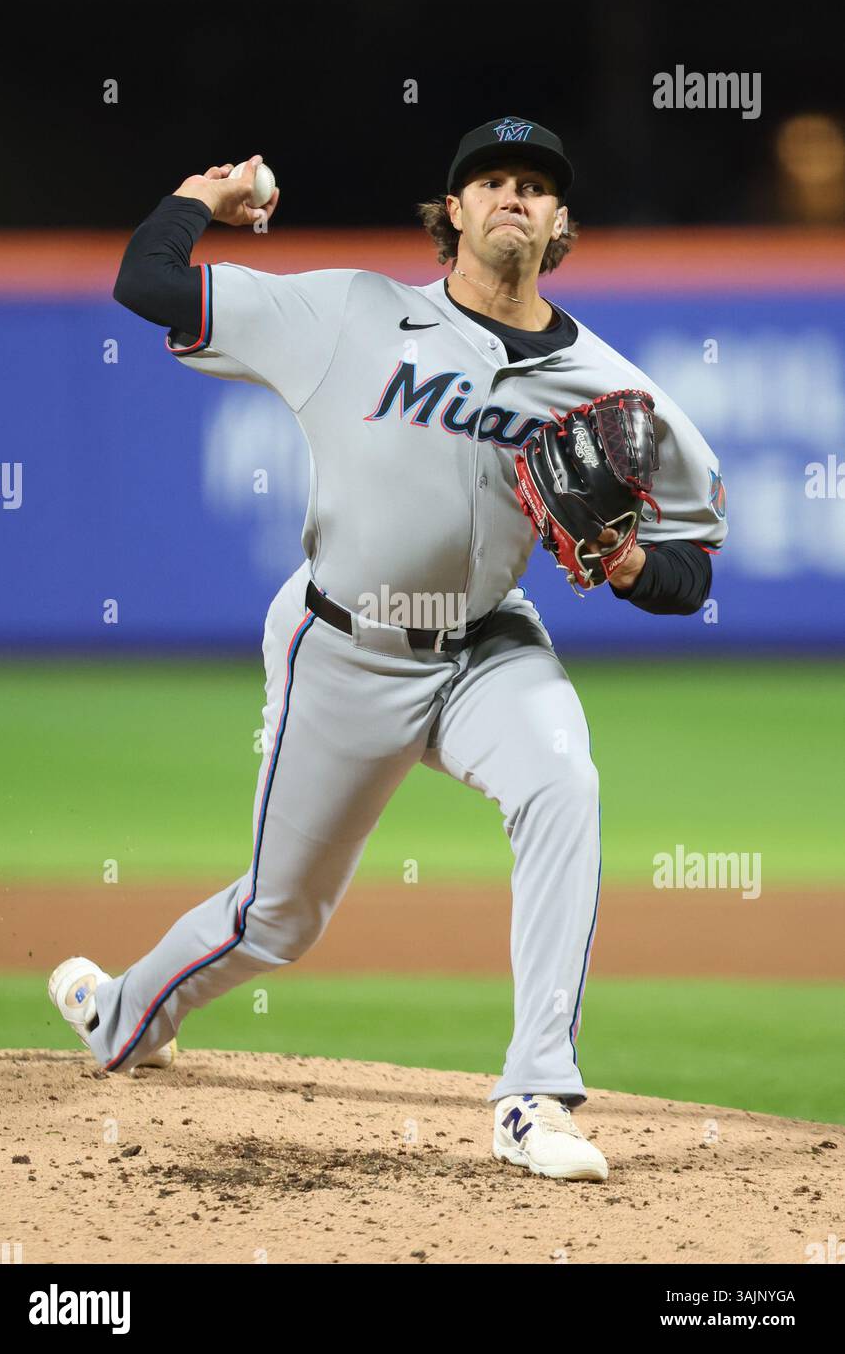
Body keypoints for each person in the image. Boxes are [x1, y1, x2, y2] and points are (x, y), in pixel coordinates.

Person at [49, 116, 727, 1183]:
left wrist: (633, 563)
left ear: (558, 227)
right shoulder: (347, 313)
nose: (512, 195)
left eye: (535, 186)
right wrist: (197, 200)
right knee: (280, 920)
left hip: (486, 647)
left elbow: (691, 573)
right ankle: (121, 1011)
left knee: (561, 781)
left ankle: (533, 1093)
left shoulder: (612, 388)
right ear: (449, 212)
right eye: (490, 180)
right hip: (342, 649)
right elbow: (148, 284)